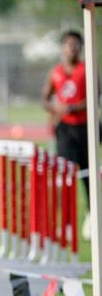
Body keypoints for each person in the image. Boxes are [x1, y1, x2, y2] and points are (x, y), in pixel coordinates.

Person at [43, 30, 90, 202]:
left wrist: (72, 107)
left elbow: (96, 98)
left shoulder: (87, 69)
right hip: (64, 130)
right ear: (63, 48)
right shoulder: (55, 72)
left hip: (86, 128)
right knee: (65, 175)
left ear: (81, 48)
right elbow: (44, 99)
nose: (72, 48)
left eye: (76, 45)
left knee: (89, 175)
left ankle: (93, 215)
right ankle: (66, 220)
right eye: (69, 45)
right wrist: (55, 109)